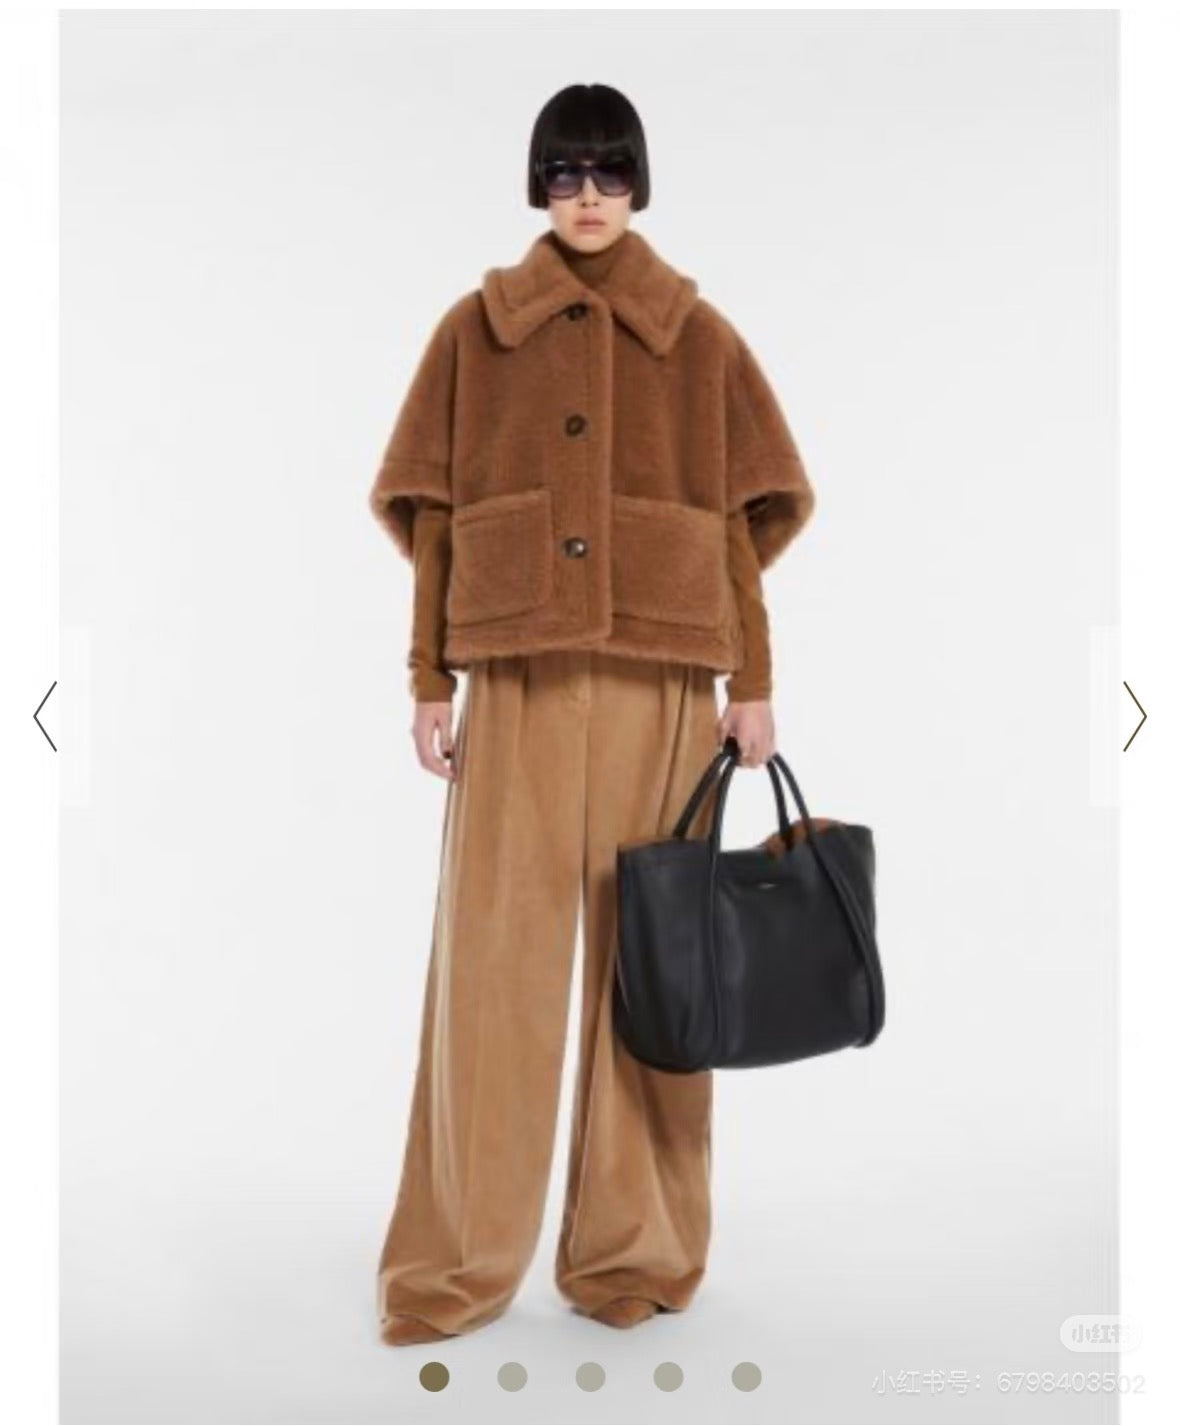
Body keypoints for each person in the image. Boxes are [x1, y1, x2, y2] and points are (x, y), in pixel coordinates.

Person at [368, 83, 815, 1345]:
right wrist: (427, 678)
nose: (586, 198)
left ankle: (632, 1253)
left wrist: (752, 683)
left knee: (652, 969)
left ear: (638, 185)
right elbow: (433, 519)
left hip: (659, 684)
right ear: (537, 186)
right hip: (512, 678)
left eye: (609, 173)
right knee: (491, 978)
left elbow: (738, 528)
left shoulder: (699, 338)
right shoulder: (474, 332)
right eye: (564, 174)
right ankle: (456, 1264)